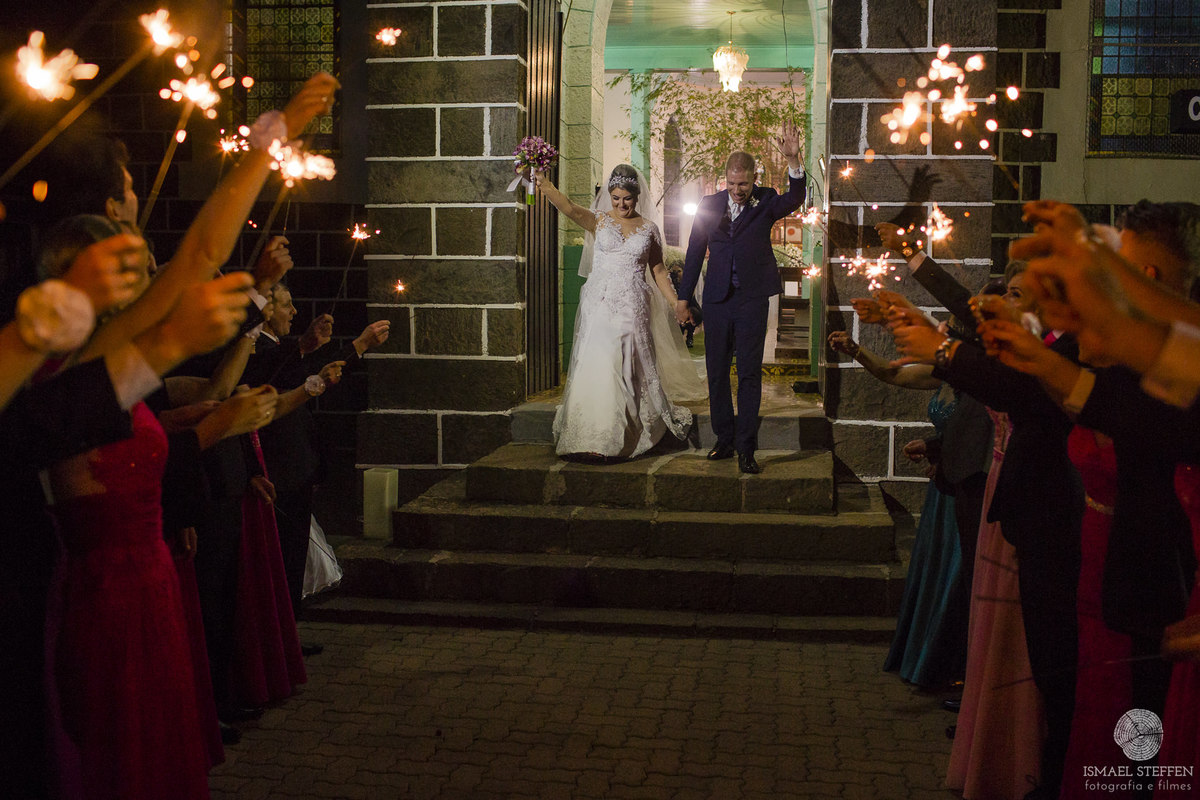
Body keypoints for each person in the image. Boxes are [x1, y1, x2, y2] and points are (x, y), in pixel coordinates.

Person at [534, 164, 703, 460]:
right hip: (599, 303)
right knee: (599, 362)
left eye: (626, 198)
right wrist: (545, 185)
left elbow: (659, 270)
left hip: (632, 305)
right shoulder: (598, 221)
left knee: (626, 367)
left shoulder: (649, 229)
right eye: (615, 198)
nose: (621, 204)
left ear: (636, 197)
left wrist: (678, 302)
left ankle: (623, 433)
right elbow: (570, 209)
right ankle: (590, 435)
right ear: (609, 196)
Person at [829, 330, 967, 690]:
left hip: (965, 488)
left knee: (959, 576)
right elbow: (894, 373)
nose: (940, 334)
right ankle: (931, 660)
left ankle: (954, 667)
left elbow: (979, 434)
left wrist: (941, 452)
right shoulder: (944, 372)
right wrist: (856, 349)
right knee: (937, 571)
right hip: (942, 489)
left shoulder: (978, 380)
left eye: (949, 330)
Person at [675, 122, 807, 474]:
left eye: (744, 184)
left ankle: (747, 447)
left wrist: (794, 161)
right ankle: (725, 440)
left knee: (749, 374)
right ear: (725, 179)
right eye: (732, 184)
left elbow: (795, 199)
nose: (737, 190)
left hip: (751, 300)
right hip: (717, 300)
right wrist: (683, 299)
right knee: (717, 373)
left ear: (754, 178)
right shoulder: (708, 203)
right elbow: (693, 253)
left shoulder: (766, 201)